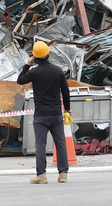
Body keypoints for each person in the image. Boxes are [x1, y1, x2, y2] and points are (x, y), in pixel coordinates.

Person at [16, 40, 71, 184]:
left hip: (41, 115)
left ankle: (41, 175)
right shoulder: (58, 70)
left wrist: (27, 65)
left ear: (34, 57)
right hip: (56, 114)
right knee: (60, 143)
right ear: (49, 54)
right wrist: (67, 108)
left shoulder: (34, 72)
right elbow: (65, 92)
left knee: (40, 144)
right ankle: (63, 174)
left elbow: (20, 80)